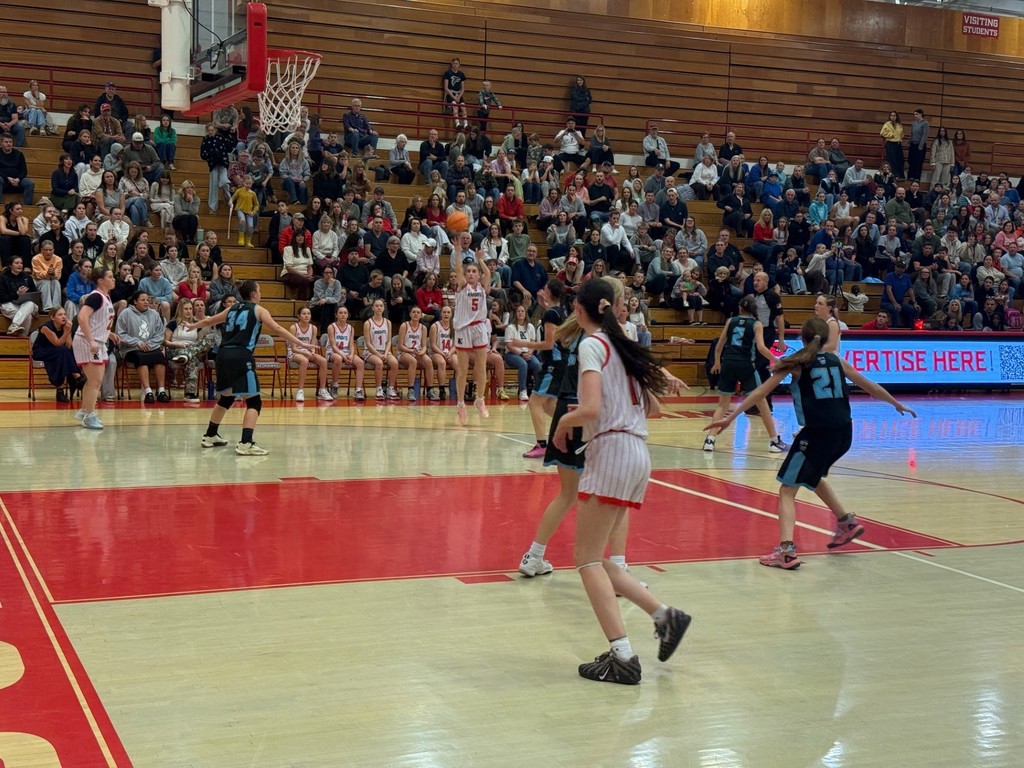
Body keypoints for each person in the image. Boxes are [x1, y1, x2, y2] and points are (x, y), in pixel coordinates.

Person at [547, 278, 691, 684]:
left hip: (611, 450)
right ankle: (666, 618)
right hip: (637, 452)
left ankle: (623, 655)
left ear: (580, 309)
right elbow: (656, 408)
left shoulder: (593, 345)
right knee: (598, 556)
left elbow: (590, 409)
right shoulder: (623, 345)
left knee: (586, 559)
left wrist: (564, 423)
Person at [707, 317, 917, 570]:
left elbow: (761, 392)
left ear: (802, 338)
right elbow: (868, 385)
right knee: (811, 476)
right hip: (844, 433)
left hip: (817, 434)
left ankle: (785, 551)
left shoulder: (796, 364)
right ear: (827, 339)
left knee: (787, 489)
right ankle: (846, 523)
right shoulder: (836, 360)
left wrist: (731, 416)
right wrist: (895, 403)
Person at [188, 280, 317, 455]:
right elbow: (278, 329)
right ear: (254, 294)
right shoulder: (259, 310)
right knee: (254, 402)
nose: (261, 293)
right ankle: (245, 443)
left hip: (223, 355)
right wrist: (301, 342)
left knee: (226, 398)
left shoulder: (232, 308)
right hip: (241, 356)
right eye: (260, 290)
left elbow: (210, 320)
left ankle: (210, 435)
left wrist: (193, 325)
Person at [705, 296, 787, 454]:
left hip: (728, 363)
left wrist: (717, 363)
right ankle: (774, 440)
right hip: (746, 365)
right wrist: (776, 360)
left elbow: (718, 346)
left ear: (740, 308)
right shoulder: (756, 324)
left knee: (722, 406)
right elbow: (762, 348)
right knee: (762, 402)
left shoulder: (731, 321)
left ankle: (710, 439)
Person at [72, 265, 117, 429]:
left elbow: (98, 320)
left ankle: (85, 410)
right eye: (110, 276)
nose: (114, 279)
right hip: (87, 340)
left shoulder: (106, 297)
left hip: (98, 340)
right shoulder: (96, 297)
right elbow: (82, 317)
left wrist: (108, 333)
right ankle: (89, 416)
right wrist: (91, 341)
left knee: (94, 380)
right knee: (95, 381)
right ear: (100, 280)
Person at [452, 245, 492, 424]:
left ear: (478, 274)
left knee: (481, 366)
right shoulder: (462, 286)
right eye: (469, 271)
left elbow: (489, 274)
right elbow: (458, 270)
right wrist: (459, 252)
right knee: (462, 370)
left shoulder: (483, 286)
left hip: (479, 328)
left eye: (474, 271)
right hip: (463, 329)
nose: (471, 273)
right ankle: (460, 405)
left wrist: (480, 259)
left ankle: (479, 399)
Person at [287, 306, 332, 402]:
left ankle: (322, 390)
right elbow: (294, 348)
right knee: (304, 360)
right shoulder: (293, 328)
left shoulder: (314, 328)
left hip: (307, 352)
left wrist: (312, 352)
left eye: (308, 313)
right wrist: (306, 353)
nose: (306, 316)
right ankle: (300, 391)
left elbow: (312, 345)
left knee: (323, 361)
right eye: (304, 314)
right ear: (298, 316)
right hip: (295, 352)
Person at [362, 298, 400, 400]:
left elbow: (389, 341)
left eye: (381, 306)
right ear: (373, 308)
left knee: (395, 363)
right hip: (370, 352)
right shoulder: (368, 323)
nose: (379, 308)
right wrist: (379, 355)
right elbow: (368, 344)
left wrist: (387, 353)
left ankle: (390, 388)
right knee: (379, 363)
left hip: (385, 351)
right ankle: (378, 389)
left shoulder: (388, 322)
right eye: (377, 306)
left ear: (384, 308)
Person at [326, 305, 366, 400]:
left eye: (345, 313)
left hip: (347, 351)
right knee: (338, 359)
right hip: (332, 352)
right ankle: (335, 385)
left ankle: (358, 390)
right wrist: (344, 356)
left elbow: (351, 344)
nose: (343, 315)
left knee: (360, 363)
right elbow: (333, 346)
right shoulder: (331, 327)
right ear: (336, 315)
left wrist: (351, 355)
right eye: (340, 313)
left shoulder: (351, 328)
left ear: (348, 315)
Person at [397, 305, 438, 401]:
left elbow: (424, 345)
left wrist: (422, 352)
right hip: (404, 352)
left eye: (418, 312)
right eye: (414, 312)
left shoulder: (423, 328)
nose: (416, 314)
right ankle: (411, 390)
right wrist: (411, 351)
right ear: (410, 314)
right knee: (413, 361)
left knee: (428, 361)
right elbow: (400, 346)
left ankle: (430, 390)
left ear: (421, 315)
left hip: (417, 352)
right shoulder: (404, 326)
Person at [880, 111, 905, 179]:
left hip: (898, 143)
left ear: (896, 117)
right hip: (890, 143)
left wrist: (901, 137)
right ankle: (894, 174)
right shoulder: (887, 124)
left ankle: (901, 175)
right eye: (891, 115)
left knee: (900, 159)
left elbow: (902, 133)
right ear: (890, 116)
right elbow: (882, 133)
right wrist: (891, 135)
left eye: (894, 115)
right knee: (892, 159)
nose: (893, 117)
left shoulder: (899, 125)